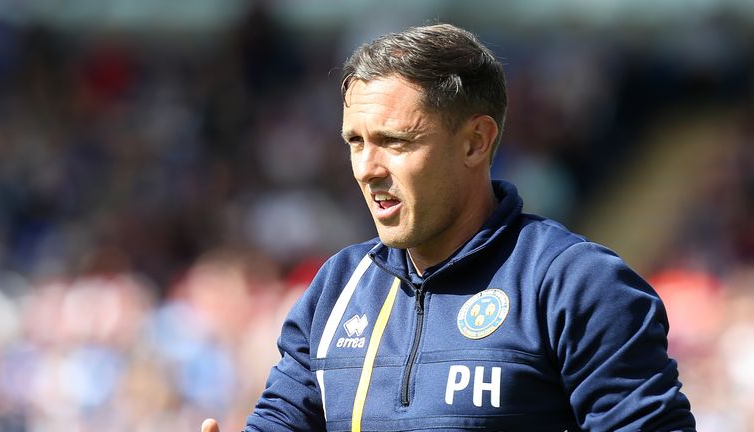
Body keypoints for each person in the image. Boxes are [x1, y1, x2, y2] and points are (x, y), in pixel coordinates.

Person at [205, 23, 696, 431]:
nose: (365, 168)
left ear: (475, 142)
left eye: (394, 141)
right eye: (356, 141)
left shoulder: (575, 284)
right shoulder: (337, 288)